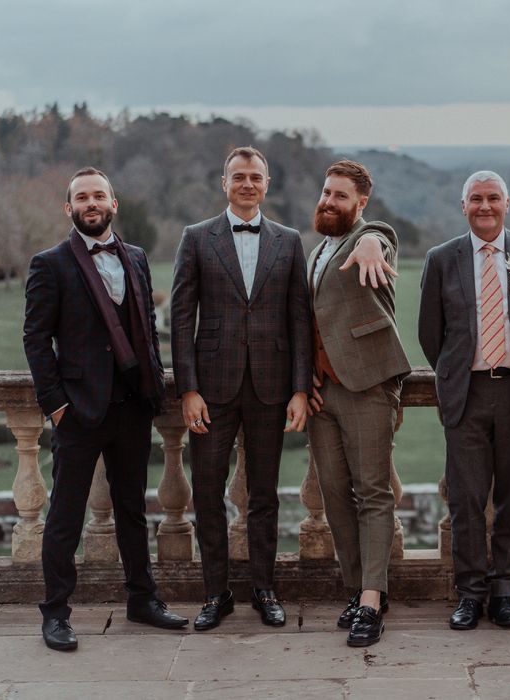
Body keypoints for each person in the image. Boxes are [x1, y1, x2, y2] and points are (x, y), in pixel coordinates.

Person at [23, 166, 188, 651]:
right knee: (65, 517)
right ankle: (55, 613)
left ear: (113, 204)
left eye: (99, 195)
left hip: (133, 408)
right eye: (81, 198)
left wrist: (153, 390)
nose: (90, 203)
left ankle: (143, 599)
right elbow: (36, 338)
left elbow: (145, 326)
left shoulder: (135, 257)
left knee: (133, 510)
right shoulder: (49, 263)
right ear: (68, 208)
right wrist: (56, 406)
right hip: (78, 411)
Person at [171, 146, 312, 631]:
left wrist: (299, 388)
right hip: (212, 388)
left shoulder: (290, 241)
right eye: (239, 177)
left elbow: (300, 319)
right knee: (208, 492)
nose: (247, 184)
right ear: (224, 183)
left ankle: (265, 589)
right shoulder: (195, 238)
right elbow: (181, 317)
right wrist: (187, 388)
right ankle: (216, 593)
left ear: (267, 183)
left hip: (272, 387)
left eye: (255, 177)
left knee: (265, 495)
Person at [418, 171, 510, 631]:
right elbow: (429, 333)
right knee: (466, 502)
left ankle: (504, 594)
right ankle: (470, 595)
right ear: (463, 206)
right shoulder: (442, 259)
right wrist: (459, 372)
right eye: (475, 199)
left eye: (492, 198)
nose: (484, 206)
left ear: (507, 203)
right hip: (467, 393)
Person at [306, 160, 411, 647]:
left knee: (372, 493)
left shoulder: (370, 238)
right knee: (333, 495)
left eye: (341, 195)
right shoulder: (316, 252)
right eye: (326, 193)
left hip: (368, 385)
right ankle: (357, 588)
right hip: (321, 391)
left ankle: (372, 598)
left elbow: (383, 238)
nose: (329, 201)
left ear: (360, 203)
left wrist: (371, 240)